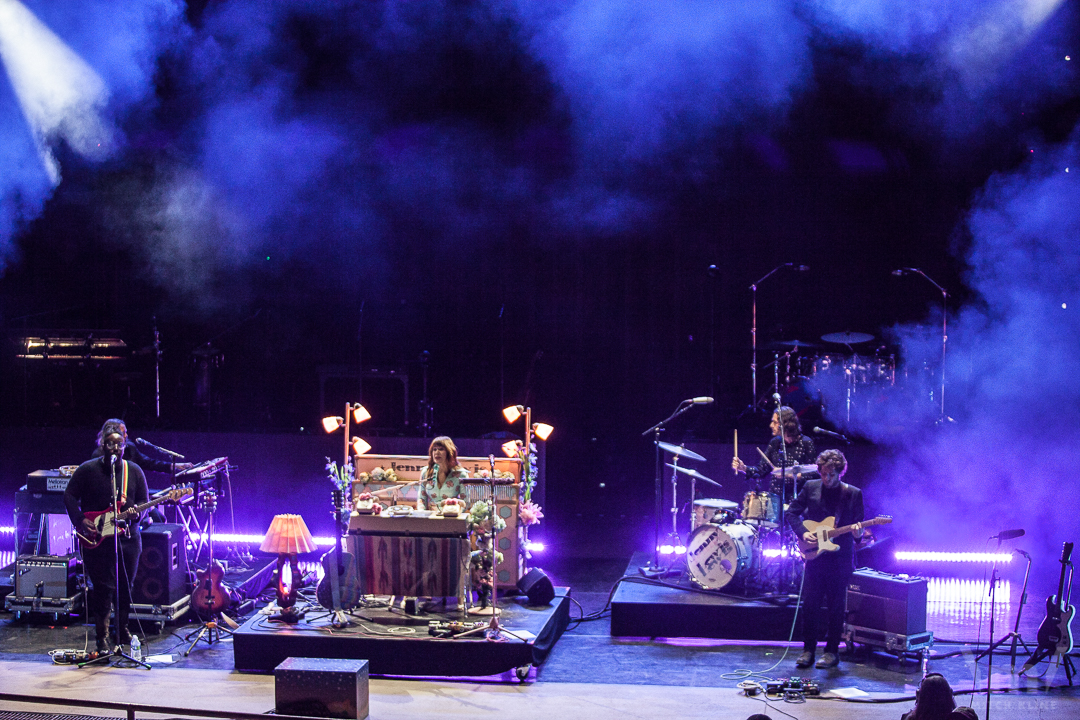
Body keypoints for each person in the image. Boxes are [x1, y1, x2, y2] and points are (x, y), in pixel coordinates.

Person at [64, 428, 148, 653]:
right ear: (102, 445)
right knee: (103, 588)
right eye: (110, 444)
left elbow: (144, 504)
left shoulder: (135, 471)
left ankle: (121, 630)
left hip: (128, 540)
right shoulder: (87, 469)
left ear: (125, 446)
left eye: (119, 445)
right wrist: (80, 520)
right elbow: (69, 495)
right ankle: (101, 637)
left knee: (125, 587)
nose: (115, 449)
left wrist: (136, 514)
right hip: (97, 539)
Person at [785, 448, 864, 669]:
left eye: (831, 474)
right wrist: (803, 532)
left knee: (836, 606)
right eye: (823, 474)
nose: (827, 478)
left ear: (841, 472)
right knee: (810, 604)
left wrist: (858, 533)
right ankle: (808, 649)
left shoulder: (853, 493)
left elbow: (858, 532)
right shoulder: (810, 487)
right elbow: (791, 512)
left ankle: (831, 652)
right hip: (815, 556)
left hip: (839, 559)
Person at [732, 406, 816, 499]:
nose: (771, 425)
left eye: (775, 422)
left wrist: (787, 474)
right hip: (775, 498)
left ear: (786, 424)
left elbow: (814, 474)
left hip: (799, 500)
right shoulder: (775, 442)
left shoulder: (806, 443)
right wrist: (743, 468)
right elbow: (761, 471)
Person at [90, 419, 193, 475]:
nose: (126, 435)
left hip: (131, 499)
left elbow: (151, 463)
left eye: (126, 432)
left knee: (158, 515)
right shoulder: (98, 455)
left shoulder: (130, 448)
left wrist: (174, 466)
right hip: (109, 504)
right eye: (123, 432)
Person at [417, 436, 469, 511]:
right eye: (434, 449)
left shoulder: (461, 474)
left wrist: (455, 513)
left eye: (441, 449)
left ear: (449, 452)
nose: (437, 452)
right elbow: (421, 499)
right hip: (431, 518)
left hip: (451, 516)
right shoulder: (426, 472)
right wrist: (422, 514)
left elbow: (465, 502)